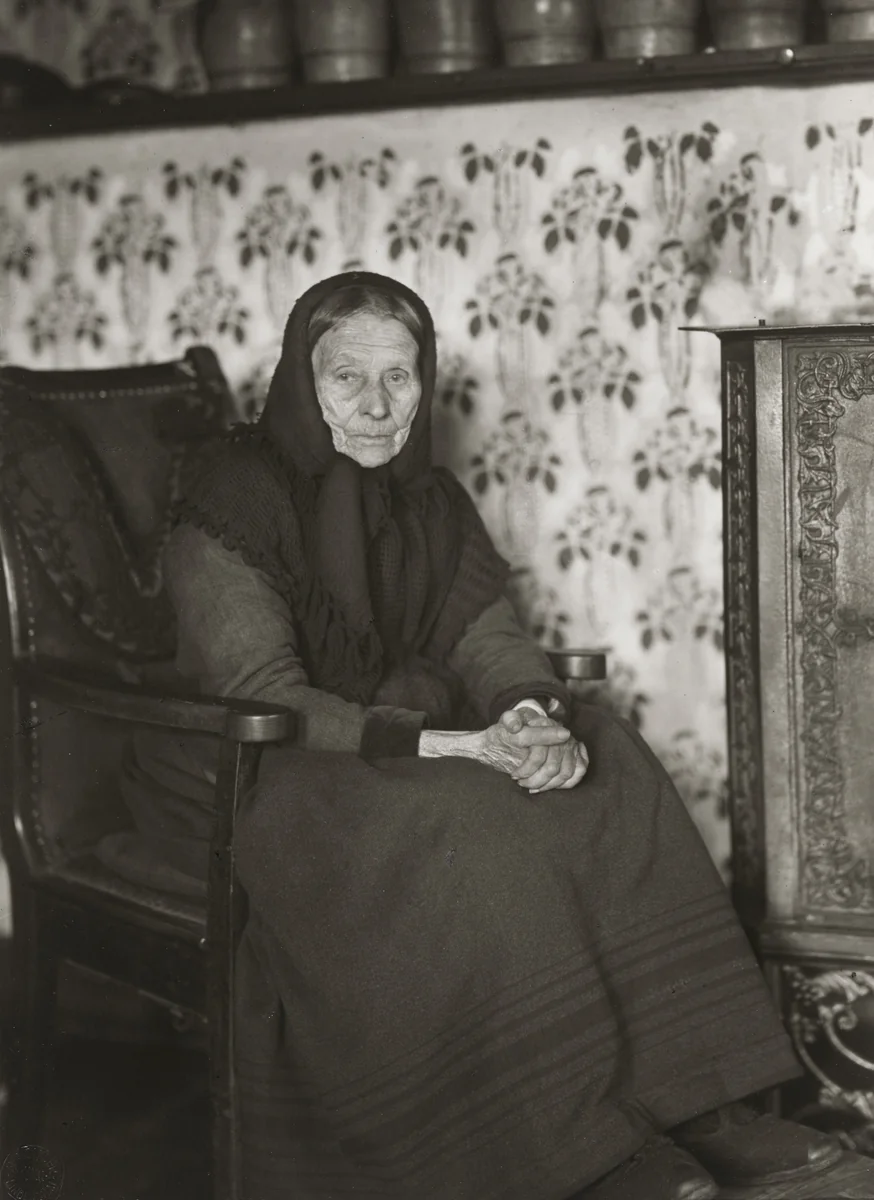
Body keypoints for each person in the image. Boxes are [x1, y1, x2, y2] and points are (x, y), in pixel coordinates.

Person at [99, 272, 846, 1200]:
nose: (376, 406)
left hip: (386, 744)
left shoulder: (432, 500)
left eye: (400, 378)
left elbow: (490, 642)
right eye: (346, 378)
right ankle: (584, 1154)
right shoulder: (234, 497)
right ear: (303, 378)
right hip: (259, 769)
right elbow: (265, 696)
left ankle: (694, 1106)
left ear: (426, 381)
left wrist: (535, 716)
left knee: (606, 762)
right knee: (475, 822)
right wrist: (461, 749)